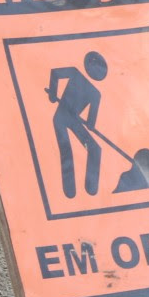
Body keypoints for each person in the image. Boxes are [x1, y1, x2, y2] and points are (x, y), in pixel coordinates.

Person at [47, 52, 107, 199]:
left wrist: (90, 124)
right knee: (67, 149)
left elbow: (91, 123)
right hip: (61, 117)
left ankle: (91, 187)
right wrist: (53, 94)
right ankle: (70, 190)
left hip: (73, 120)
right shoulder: (75, 73)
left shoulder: (96, 93)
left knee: (95, 149)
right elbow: (55, 73)